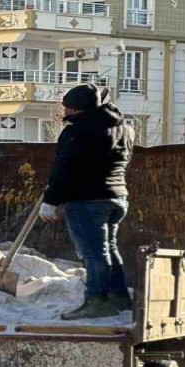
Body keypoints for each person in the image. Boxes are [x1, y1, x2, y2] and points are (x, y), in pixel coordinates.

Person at [39, 83, 136, 321]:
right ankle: (118, 296)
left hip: (87, 201)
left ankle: (96, 300)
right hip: (117, 197)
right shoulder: (124, 128)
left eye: (68, 108)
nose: (65, 112)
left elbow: (65, 168)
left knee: (93, 254)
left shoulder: (77, 132)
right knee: (108, 248)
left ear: (77, 109)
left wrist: (51, 200)